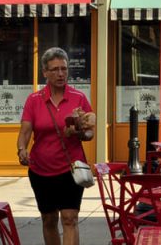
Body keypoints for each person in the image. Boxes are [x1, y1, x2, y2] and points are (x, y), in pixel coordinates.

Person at [18, 47, 95, 245]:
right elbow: (25, 130)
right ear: (45, 72)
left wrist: (80, 131)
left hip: (71, 169)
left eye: (64, 69)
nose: (60, 74)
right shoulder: (34, 100)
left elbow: (90, 133)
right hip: (41, 170)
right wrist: (22, 149)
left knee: (69, 218)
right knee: (49, 219)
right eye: (54, 69)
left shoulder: (79, 98)